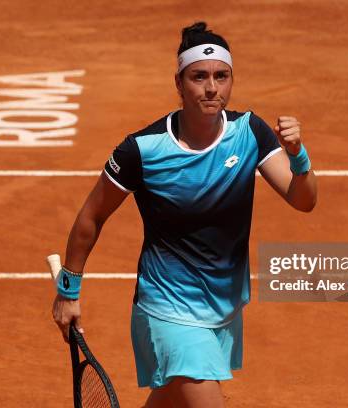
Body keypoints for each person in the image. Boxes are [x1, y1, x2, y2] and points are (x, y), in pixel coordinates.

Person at [52, 21, 317, 408]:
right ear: (179, 83)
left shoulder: (250, 132)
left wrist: (299, 157)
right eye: (199, 77)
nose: (212, 88)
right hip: (166, 308)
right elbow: (91, 216)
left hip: (223, 306)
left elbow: (303, 199)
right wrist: (68, 290)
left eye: (221, 76)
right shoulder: (143, 150)